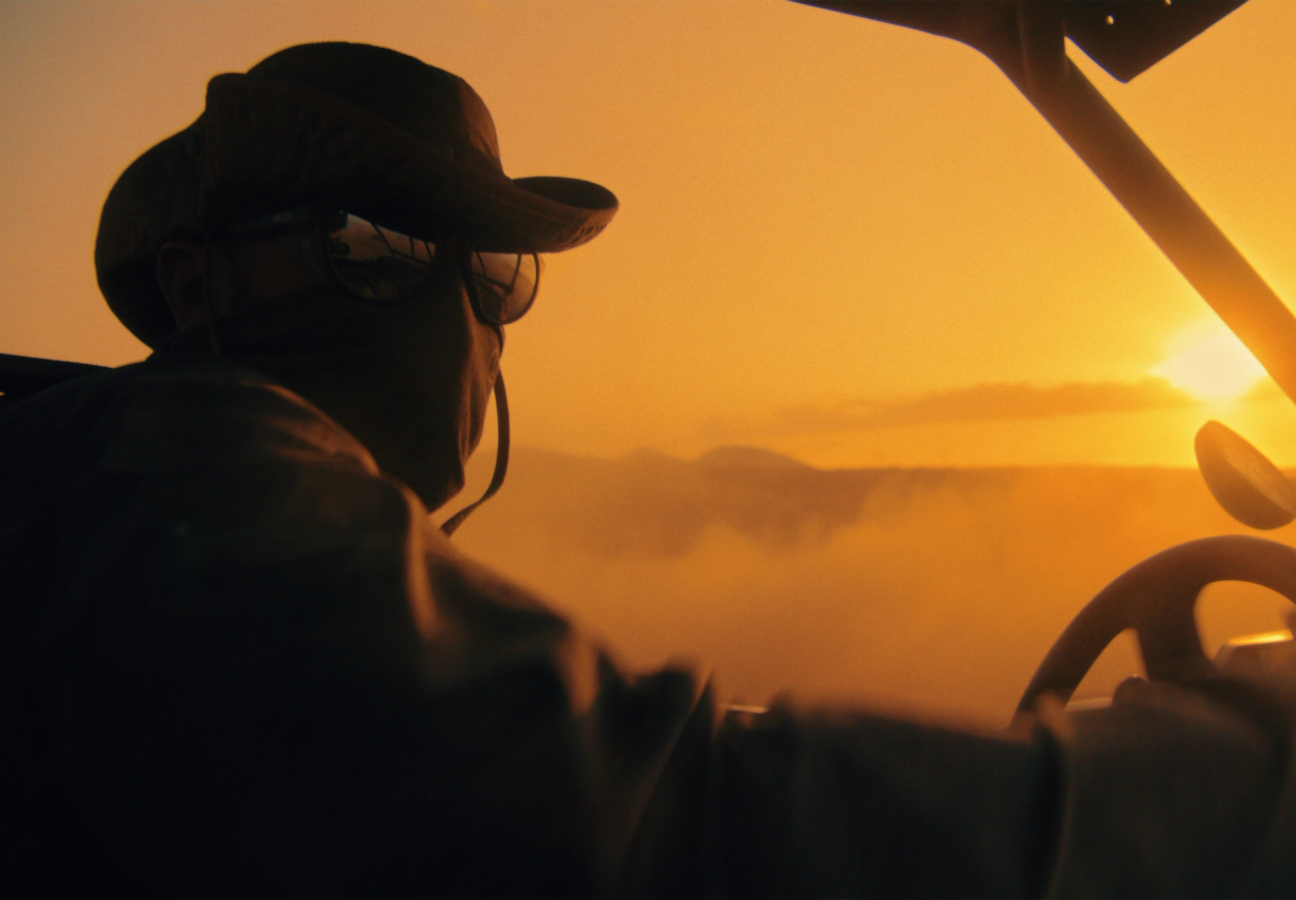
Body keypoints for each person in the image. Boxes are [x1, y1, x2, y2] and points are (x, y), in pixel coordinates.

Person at [2, 41, 1294, 899]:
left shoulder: (102, 492)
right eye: (374, 244)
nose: (461, 320)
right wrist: (1251, 748)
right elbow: (675, 831)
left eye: (497, 271)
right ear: (196, 285)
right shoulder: (181, 484)